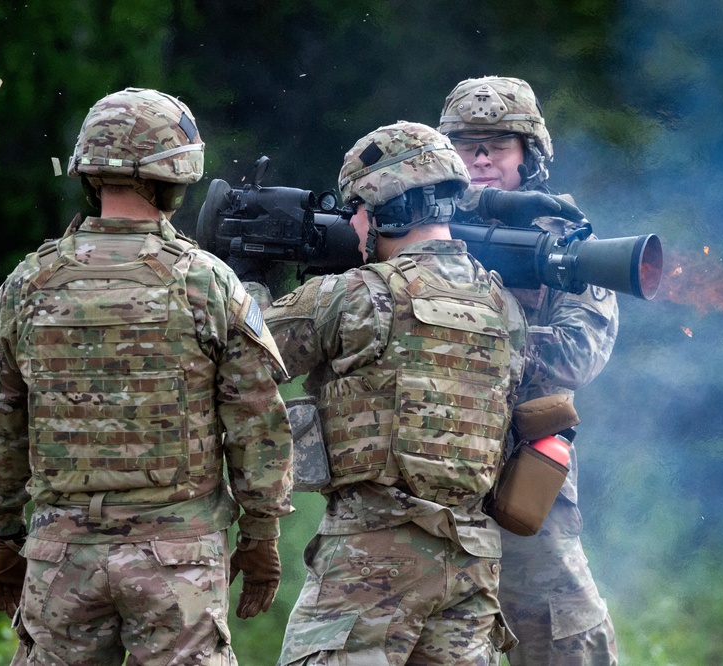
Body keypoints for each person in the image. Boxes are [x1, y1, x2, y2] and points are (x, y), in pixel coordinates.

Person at [0, 87, 294, 666]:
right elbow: (256, 423)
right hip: (178, 562)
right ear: (178, 174)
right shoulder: (206, 283)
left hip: (61, 556)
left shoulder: (27, 285)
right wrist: (261, 534)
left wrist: (6, 536)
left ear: (89, 170)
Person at [252, 121, 534, 665]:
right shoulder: (502, 306)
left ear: (385, 211)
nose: (351, 224)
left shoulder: (358, 295)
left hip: (373, 559)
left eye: (356, 209)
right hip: (472, 563)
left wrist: (250, 276)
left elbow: (249, 351)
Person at [439, 76, 621, 665]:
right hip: (425, 474)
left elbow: (577, 354)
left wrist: (464, 331)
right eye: (469, 144)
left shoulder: (566, 245)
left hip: (524, 477)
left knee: (563, 639)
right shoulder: (411, 234)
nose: (483, 157)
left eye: (499, 143)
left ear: (531, 155)